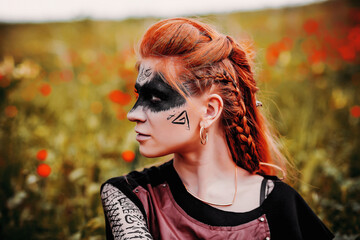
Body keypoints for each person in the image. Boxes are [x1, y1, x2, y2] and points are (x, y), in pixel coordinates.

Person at [100, 17, 334, 240]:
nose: (133, 113)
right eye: (139, 95)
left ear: (210, 110)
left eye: (156, 98)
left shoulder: (281, 204)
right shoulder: (129, 197)